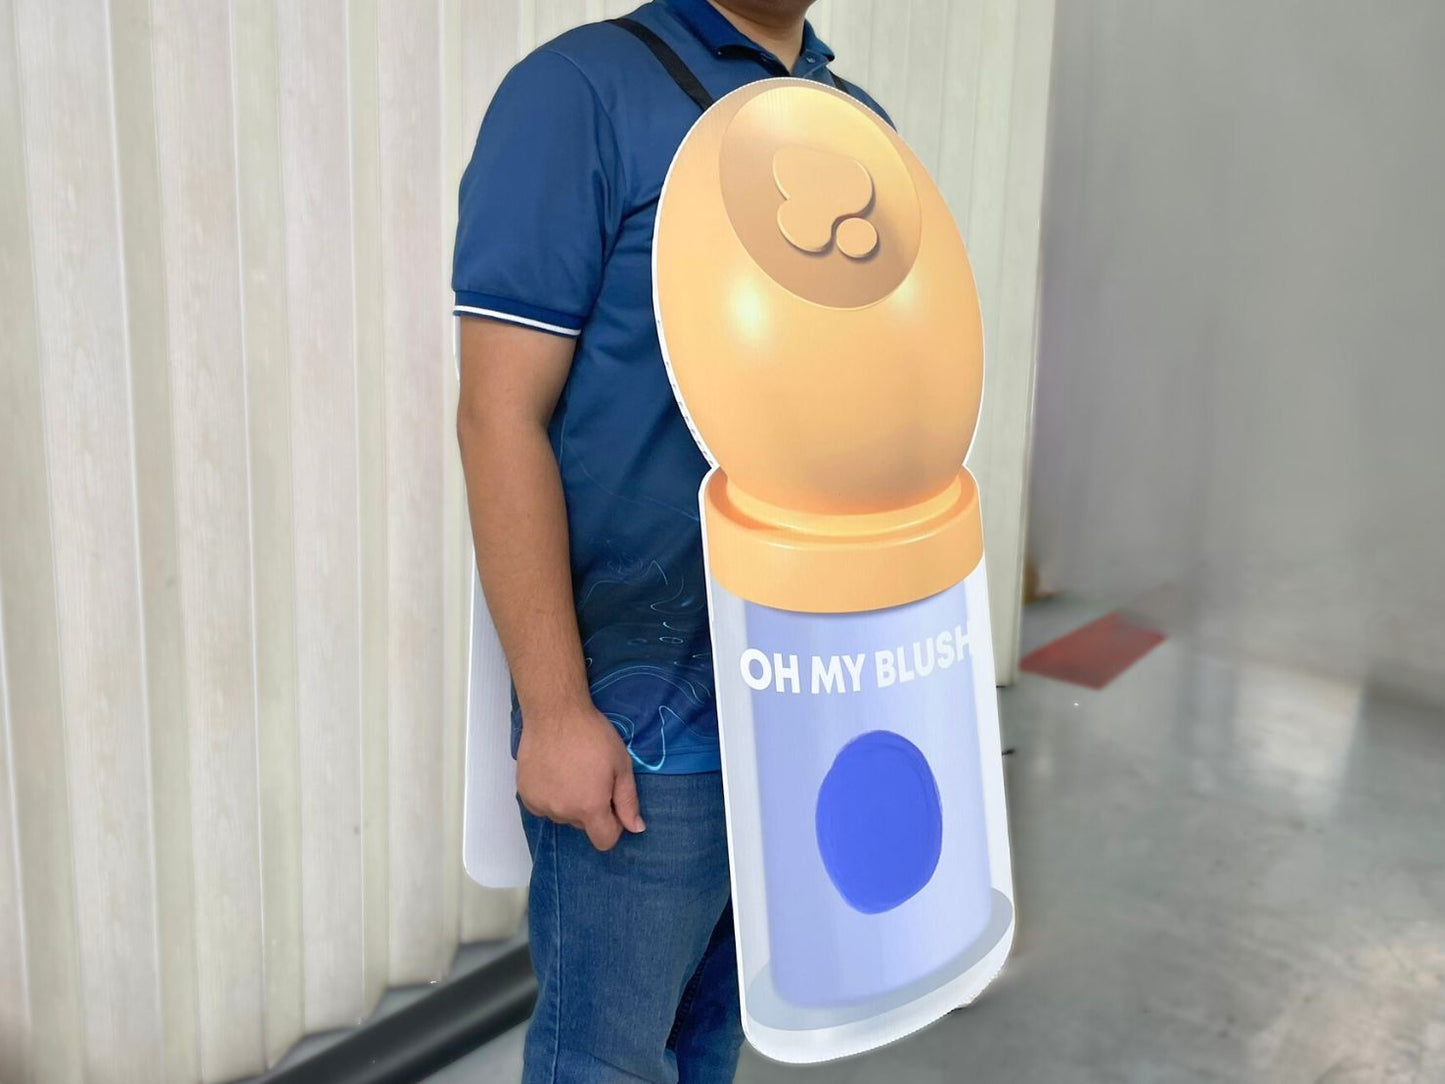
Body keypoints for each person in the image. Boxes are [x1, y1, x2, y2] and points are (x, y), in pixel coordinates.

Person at [453, 2, 891, 1080]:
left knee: (715, 1042)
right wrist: (556, 710)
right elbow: (498, 415)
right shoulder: (579, 94)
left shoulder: (854, 128)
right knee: (604, 1059)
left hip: (799, 707)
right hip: (643, 731)